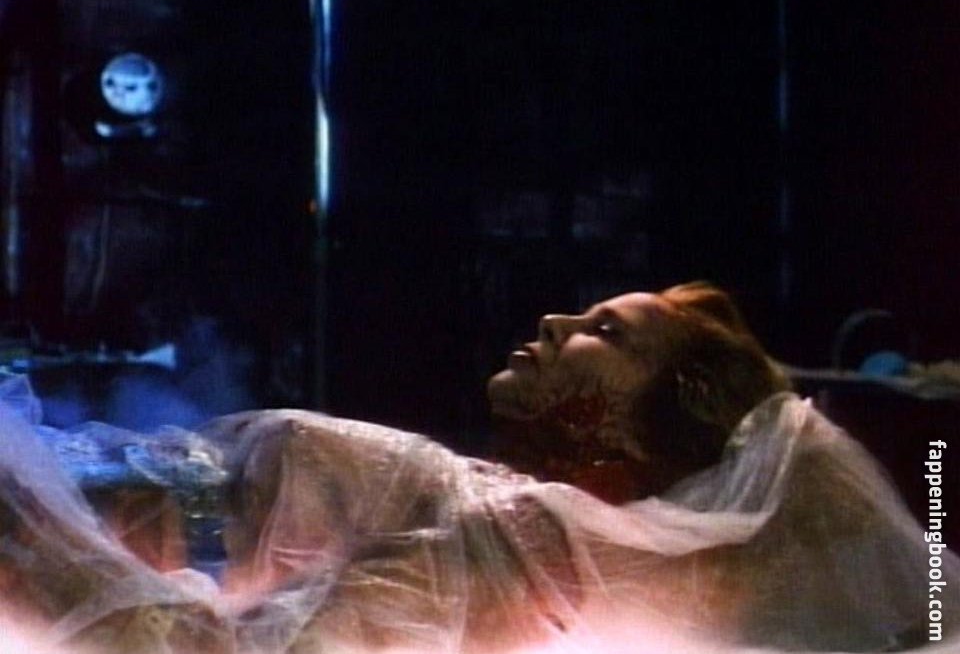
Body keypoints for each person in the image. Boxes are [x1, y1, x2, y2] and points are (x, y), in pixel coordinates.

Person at [0, 282, 957, 653]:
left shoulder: (517, 561)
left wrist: (26, 526)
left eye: (607, 333)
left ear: (645, 435)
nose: (556, 321)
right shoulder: (513, 511)